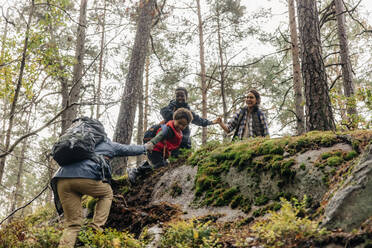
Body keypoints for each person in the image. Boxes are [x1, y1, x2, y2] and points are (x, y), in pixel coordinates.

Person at [51, 138, 153, 248]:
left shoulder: (77, 143)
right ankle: (95, 229)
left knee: (72, 224)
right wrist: (145, 147)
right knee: (106, 193)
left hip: (61, 179)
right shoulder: (107, 144)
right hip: (84, 176)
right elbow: (128, 149)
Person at [127, 108, 193, 184]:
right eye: (179, 123)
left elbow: (174, 147)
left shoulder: (178, 133)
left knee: (165, 165)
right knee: (161, 166)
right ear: (175, 119)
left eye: (184, 125)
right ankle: (135, 171)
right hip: (154, 150)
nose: (181, 126)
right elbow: (159, 136)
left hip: (161, 152)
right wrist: (151, 144)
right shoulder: (168, 129)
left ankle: (143, 166)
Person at [160, 87, 219, 156]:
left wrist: (211, 122)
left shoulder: (188, 111)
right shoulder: (170, 107)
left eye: (182, 96)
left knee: (185, 157)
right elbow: (163, 111)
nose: (180, 98)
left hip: (184, 140)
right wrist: (177, 116)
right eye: (177, 96)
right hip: (171, 140)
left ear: (186, 97)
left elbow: (198, 120)